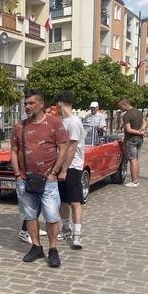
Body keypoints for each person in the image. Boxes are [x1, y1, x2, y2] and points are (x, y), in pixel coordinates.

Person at [10, 90, 69, 267]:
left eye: (31, 103)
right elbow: (13, 151)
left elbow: (63, 148)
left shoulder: (54, 123)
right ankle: (36, 247)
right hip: (25, 179)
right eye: (26, 103)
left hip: (48, 180)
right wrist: (16, 174)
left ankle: (52, 249)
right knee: (29, 215)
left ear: (41, 104)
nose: (27, 106)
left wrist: (55, 172)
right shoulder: (19, 126)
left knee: (51, 215)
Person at [54, 91, 85, 249]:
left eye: (56, 106)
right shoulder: (62, 121)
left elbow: (72, 148)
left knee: (74, 201)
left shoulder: (73, 122)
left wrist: (64, 169)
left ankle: (77, 234)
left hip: (72, 167)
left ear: (60, 104)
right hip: (62, 166)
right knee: (63, 201)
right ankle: (66, 228)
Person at [118, 98, 146, 187]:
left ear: (125, 105)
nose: (120, 109)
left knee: (132, 159)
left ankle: (134, 181)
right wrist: (141, 129)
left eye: (120, 107)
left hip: (131, 140)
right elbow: (145, 123)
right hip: (139, 139)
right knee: (136, 159)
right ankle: (136, 180)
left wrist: (138, 132)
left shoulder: (126, 115)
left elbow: (128, 129)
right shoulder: (138, 112)